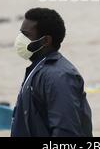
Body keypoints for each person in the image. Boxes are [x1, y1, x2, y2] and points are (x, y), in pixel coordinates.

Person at [11, 8, 92, 137]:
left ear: (46, 41)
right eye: (21, 34)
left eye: (26, 35)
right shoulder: (38, 69)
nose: (20, 39)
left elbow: (66, 131)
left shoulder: (58, 76)